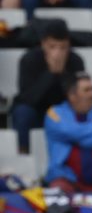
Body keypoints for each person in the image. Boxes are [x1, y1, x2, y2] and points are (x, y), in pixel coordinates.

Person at [9, 19, 84, 153]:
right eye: (52, 46)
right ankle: (23, 154)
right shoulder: (29, 59)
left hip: (64, 112)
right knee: (22, 112)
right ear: (43, 44)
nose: (57, 53)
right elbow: (27, 98)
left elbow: (77, 99)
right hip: (36, 111)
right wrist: (50, 74)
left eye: (63, 47)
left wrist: (62, 75)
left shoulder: (75, 61)